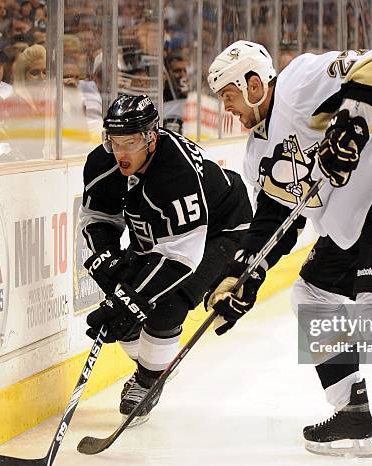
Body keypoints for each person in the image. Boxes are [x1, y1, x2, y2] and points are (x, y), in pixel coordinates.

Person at [206, 40, 372, 466]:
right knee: (311, 295)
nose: (228, 109)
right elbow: (274, 224)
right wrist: (244, 276)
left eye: (229, 96)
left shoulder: (297, 84)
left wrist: (352, 124)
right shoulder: (257, 154)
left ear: (252, 83)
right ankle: (352, 413)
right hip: (353, 228)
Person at [80, 94, 252, 425]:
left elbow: (182, 256)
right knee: (122, 297)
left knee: (166, 304)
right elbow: (97, 217)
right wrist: (108, 259)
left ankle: (148, 380)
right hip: (162, 236)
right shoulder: (102, 163)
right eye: (114, 142)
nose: (121, 153)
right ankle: (151, 366)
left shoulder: (175, 171)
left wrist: (132, 298)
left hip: (222, 229)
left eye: (129, 142)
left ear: (150, 137)